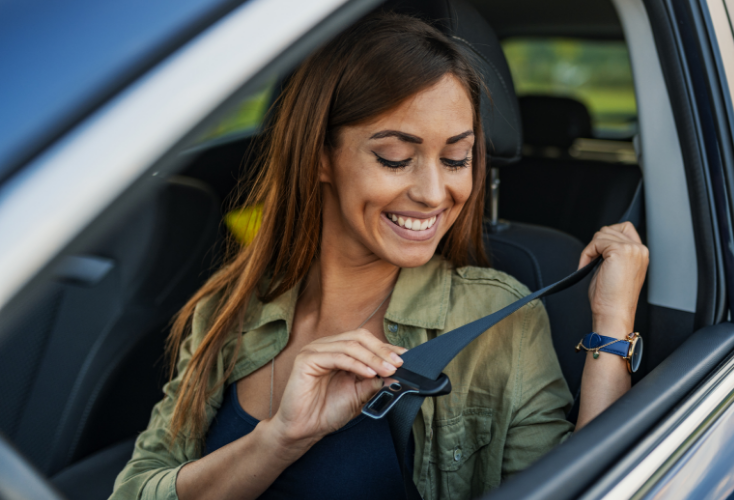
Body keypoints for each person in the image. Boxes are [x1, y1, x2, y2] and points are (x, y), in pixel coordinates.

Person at [111, 12, 648, 500]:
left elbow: (583, 489)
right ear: (320, 157)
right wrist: (278, 441)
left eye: (457, 158)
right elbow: (136, 488)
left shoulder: (494, 321)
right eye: (395, 158)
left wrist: (611, 326)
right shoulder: (228, 309)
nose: (435, 193)